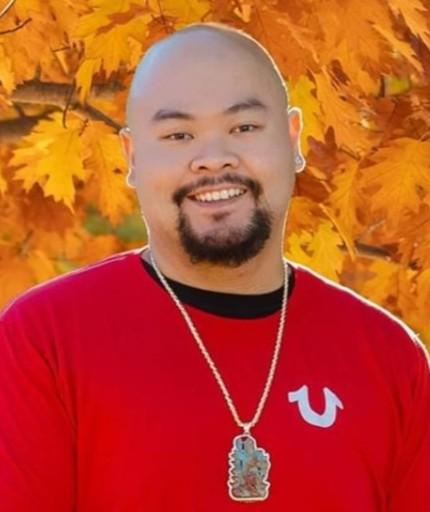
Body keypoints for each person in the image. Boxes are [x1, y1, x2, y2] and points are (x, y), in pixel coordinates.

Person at [0, 21, 429, 512]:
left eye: (243, 127)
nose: (213, 159)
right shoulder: (44, 340)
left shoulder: (389, 358)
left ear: (293, 138)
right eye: (178, 134)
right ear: (132, 157)